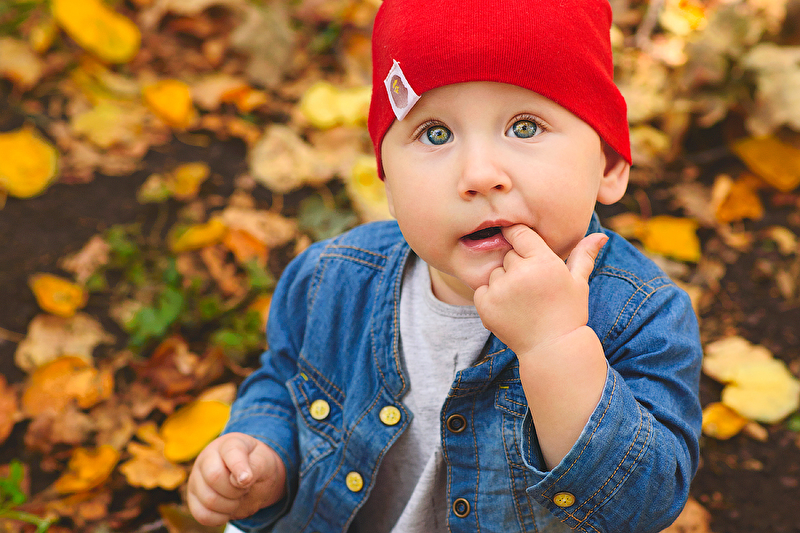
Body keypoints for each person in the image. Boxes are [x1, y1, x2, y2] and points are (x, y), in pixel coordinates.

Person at [187, 0, 703, 531]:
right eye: (435, 133)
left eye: (524, 127)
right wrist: (262, 452)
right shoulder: (331, 280)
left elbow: (643, 505)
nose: (479, 174)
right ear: (388, 184)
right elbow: (283, 380)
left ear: (610, 165)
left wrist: (553, 348)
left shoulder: (642, 315)